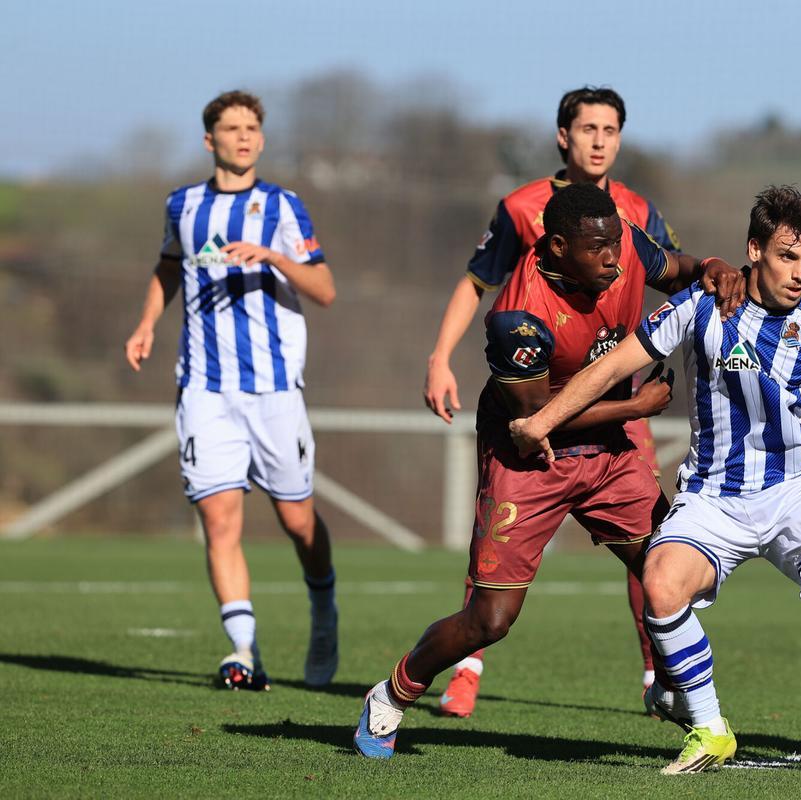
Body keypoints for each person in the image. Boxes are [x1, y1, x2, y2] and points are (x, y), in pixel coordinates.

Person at [510, 186, 801, 779]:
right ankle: (711, 729)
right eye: (787, 256)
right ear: (754, 250)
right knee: (661, 587)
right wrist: (541, 420)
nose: (800, 273)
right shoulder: (703, 305)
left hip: (794, 492)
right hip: (712, 496)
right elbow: (616, 364)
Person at [353, 182, 744, 759]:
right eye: (597, 249)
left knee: (673, 571)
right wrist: (637, 407)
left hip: (610, 452)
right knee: (490, 620)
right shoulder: (517, 316)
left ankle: (670, 685)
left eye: (617, 244)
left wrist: (715, 267)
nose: (613, 258)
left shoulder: (624, 245)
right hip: (530, 459)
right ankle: (392, 693)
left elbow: (681, 268)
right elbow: (538, 419)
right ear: (558, 246)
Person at [423, 86, 686, 717]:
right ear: (563, 137)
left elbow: (677, 273)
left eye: (611, 129)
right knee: (492, 560)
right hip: (533, 394)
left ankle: (658, 673)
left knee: (658, 545)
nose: (600, 140)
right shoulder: (523, 209)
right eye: (588, 128)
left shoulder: (635, 212)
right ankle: (466, 667)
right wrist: (439, 357)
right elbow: (477, 281)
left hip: (615, 395)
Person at [124, 90, 339, 690]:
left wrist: (272, 257)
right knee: (220, 522)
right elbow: (170, 265)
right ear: (209, 139)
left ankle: (324, 607)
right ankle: (243, 651)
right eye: (231, 128)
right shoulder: (183, 205)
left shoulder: (283, 206)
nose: (244, 137)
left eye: (252, 128)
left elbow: (324, 288)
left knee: (299, 524)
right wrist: (146, 323)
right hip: (203, 389)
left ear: (262, 139)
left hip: (273, 389)